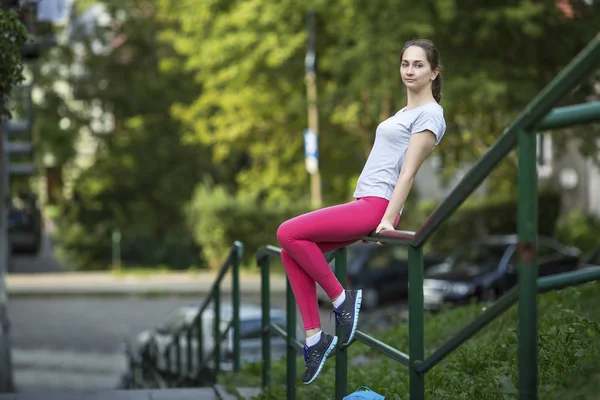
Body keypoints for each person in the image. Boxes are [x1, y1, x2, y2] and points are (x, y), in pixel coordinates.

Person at [276, 39, 447, 385]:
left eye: (418, 65)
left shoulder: (431, 115)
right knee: (289, 254)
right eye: (405, 63)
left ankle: (342, 300)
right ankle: (314, 339)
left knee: (287, 231)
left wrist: (387, 220)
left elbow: (409, 173)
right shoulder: (404, 113)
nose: (410, 70)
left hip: (377, 206)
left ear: (434, 72)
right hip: (365, 202)